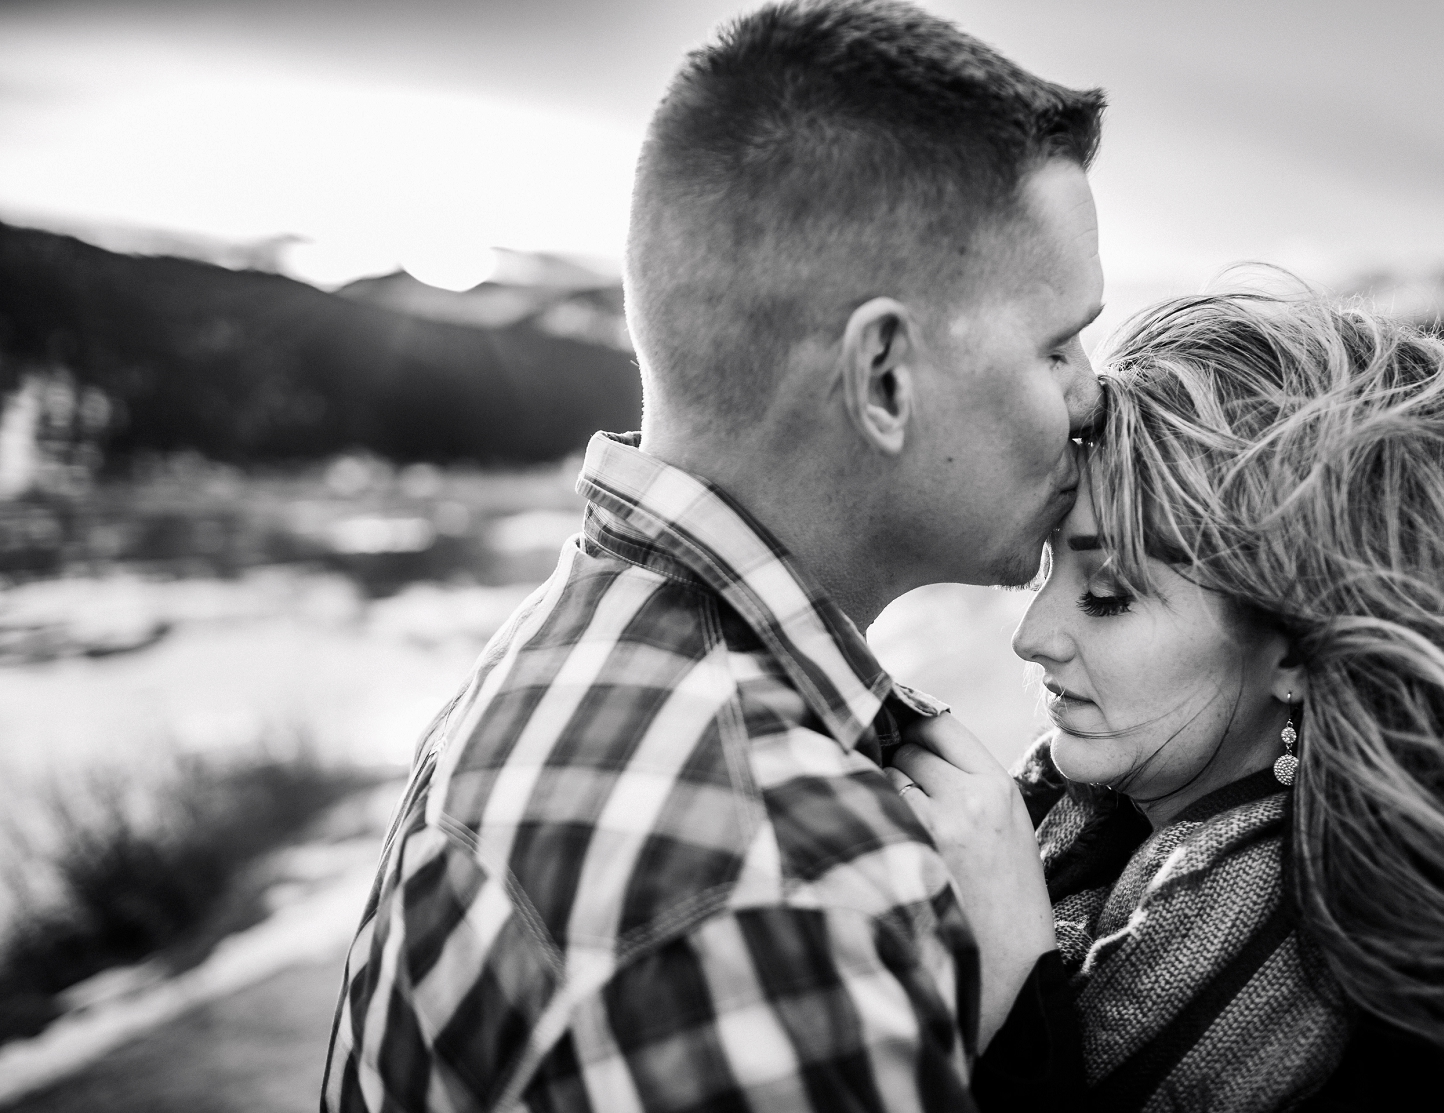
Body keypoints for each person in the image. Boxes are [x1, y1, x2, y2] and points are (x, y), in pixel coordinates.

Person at [321, 2, 1106, 1109]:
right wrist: (1024, 1017)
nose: (1090, 396)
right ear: (883, 376)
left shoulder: (570, 642)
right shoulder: (783, 899)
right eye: (1058, 345)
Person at [890, 289, 1444, 1111]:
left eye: (1109, 591)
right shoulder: (1055, 835)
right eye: (1050, 566)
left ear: (1296, 644)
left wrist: (1013, 998)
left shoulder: (1422, 1025)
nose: (1031, 634)